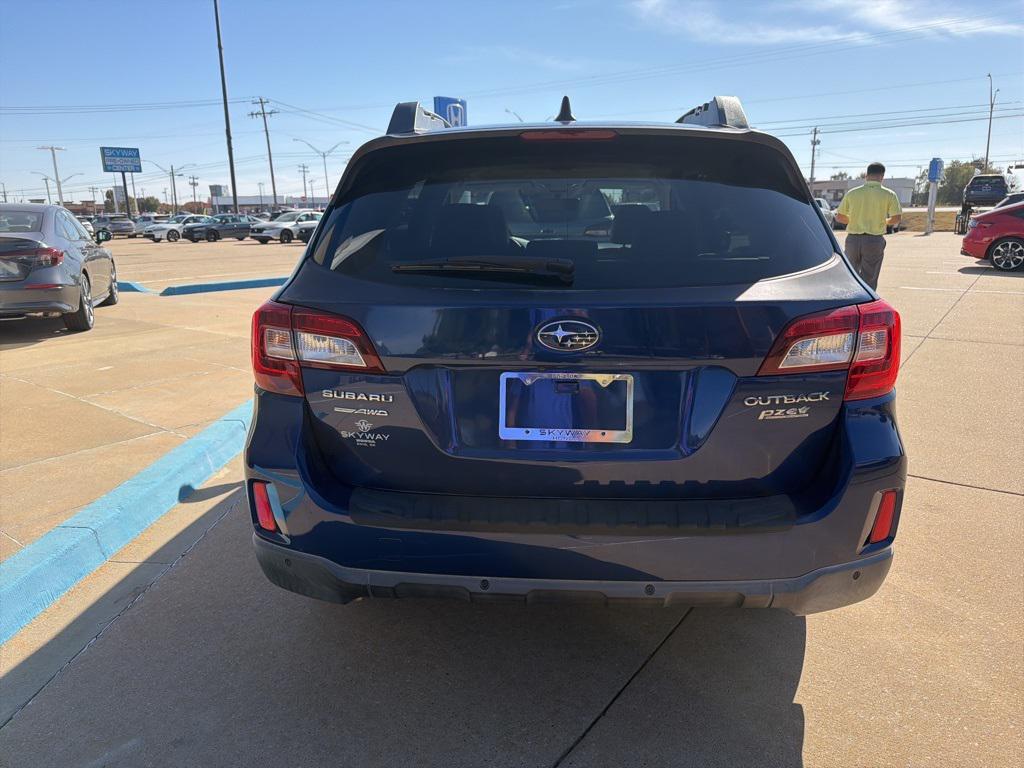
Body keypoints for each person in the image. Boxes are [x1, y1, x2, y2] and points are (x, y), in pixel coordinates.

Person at [835, 162, 902, 290]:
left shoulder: (852, 193)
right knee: (869, 277)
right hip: (874, 240)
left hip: (852, 240)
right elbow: (897, 218)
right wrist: (884, 221)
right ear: (882, 176)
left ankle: (850, 300)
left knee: (850, 274)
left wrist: (855, 220)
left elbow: (839, 217)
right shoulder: (889, 194)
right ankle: (866, 304)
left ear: (866, 175)